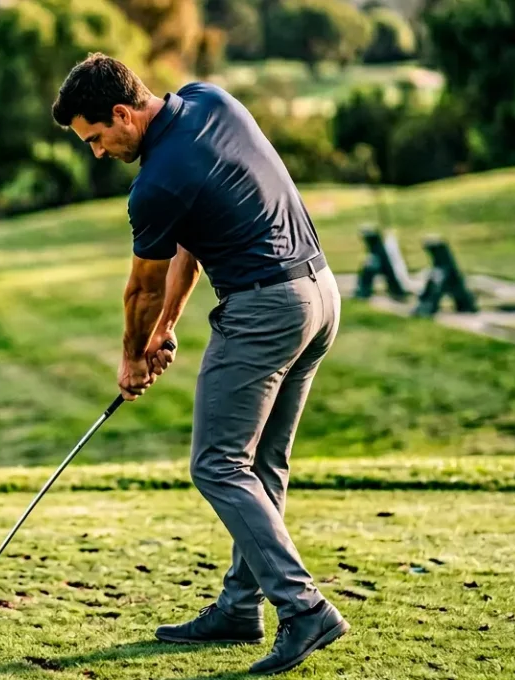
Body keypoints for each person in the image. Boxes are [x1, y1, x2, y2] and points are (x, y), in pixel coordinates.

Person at [50, 53, 348, 676]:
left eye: (97, 137)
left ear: (123, 114)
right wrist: (164, 332)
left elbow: (140, 289)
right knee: (261, 463)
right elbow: (191, 243)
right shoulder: (209, 101)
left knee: (217, 464)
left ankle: (303, 608)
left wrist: (132, 359)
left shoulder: (153, 186)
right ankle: (242, 607)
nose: (98, 152)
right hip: (319, 296)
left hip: (266, 309)